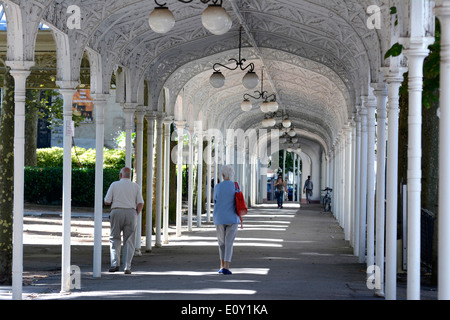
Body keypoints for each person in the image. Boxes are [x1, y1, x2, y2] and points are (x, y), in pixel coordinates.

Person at [104, 167, 144, 274]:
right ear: (129, 176)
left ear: (120, 175)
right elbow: (140, 203)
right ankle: (127, 267)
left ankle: (115, 264)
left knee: (114, 238)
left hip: (116, 212)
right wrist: (136, 213)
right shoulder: (136, 186)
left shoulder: (114, 184)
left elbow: (107, 201)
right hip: (131, 213)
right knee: (129, 240)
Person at [213, 165, 241, 275]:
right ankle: (227, 267)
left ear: (223, 175)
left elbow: (215, 200)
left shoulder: (218, 187)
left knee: (221, 243)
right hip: (233, 217)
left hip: (219, 217)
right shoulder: (236, 186)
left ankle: (221, 266)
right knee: (229, 243)